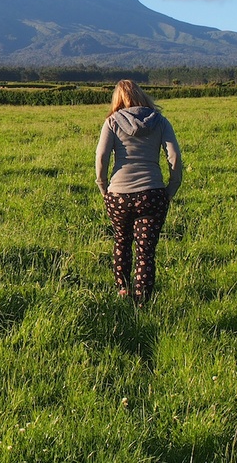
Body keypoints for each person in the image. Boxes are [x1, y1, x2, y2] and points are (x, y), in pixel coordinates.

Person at [95, 80, 182, 306]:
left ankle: (122, 290)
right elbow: (174, 158)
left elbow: (102, 157)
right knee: (146, 251)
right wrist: (170, 189)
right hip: (152, 193)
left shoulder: (112, 122)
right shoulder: (160, 122)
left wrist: (104, 188)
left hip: (118, 195)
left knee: (121, 242)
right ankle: (142, 300)